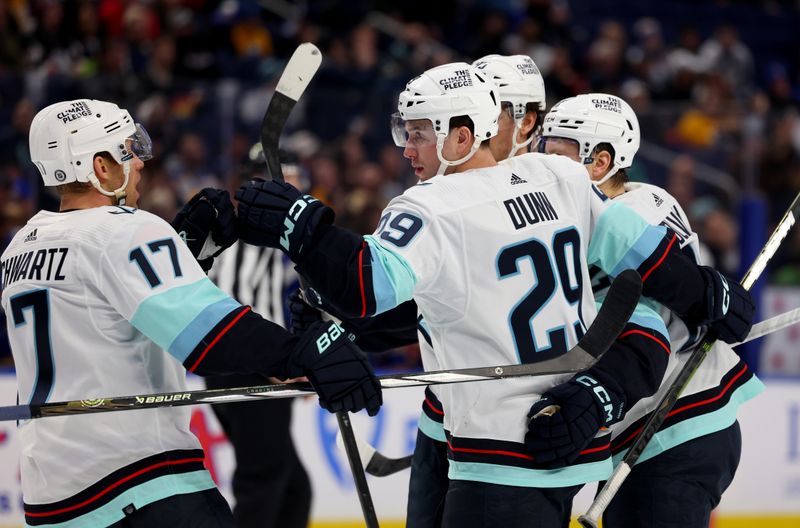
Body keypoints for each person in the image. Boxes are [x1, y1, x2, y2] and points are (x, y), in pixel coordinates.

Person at [234, 63, 754, 527]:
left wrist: (303, 230)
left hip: (525, 438)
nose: (404, 148)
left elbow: (366, 284)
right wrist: (706, 288)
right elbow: (642, 257)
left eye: (416, 134)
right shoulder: (558, 177)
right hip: (551, 435)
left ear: (467, 133)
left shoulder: (434, 205)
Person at [0, 99, 381, 528]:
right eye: (128, 150)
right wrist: (304, 354)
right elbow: (206, 335)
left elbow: (106, 316)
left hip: (52, 495)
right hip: (138, 480)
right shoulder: (125, 229)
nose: (141, 162)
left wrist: (186, 256)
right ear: (101, 167)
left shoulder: (21, 245)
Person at [536, 93, 764, 527]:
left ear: (599, 162)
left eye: (557, 155)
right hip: (640, 427)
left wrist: (597, 394)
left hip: (677, 421)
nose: (543, 167)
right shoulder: (614, 204)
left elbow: (652, 325)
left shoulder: (634, 212)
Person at [203, 147, 312, 528]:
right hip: (248, 369)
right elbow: (234, 307)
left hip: (244, 365)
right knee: (263, 482)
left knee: (294, 488)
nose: (299, 192)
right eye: (289, 181)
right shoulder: (245, 235)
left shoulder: (252, 231)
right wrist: (279, 365)